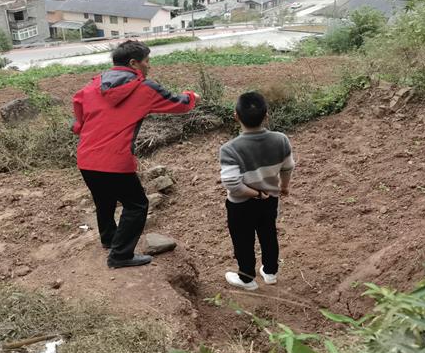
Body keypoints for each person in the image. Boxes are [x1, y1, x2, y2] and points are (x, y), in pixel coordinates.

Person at [72, 40, 200, 268]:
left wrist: (80, 126)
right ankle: (120, 256)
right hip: (115, 160)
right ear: (134, 63)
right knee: (137, 205)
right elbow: (177, 103)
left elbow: (78, 103)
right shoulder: (145, 88)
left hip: (86, 158)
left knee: (104, 200)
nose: (149, 66)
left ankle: (110, 240)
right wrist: (192, 97)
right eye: (147, 61)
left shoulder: (93, 85)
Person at [219, 91, 295, 290]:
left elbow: (232, 184)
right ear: (266, 115)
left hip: (241, 205)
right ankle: (270, 272)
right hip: (270, 199)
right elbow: (287, 167)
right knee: (268, 234)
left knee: (243, 241)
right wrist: (284, 187)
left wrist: (256, 193)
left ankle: (247, 279)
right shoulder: (281, 140)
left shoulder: (230, 149)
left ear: (236, 115)